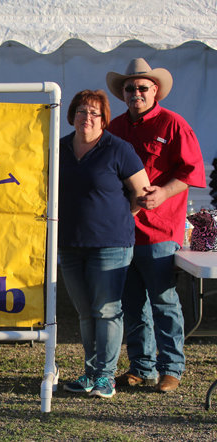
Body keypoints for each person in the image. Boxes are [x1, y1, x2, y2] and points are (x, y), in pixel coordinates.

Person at [106, 58, 206, 393]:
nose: (136, 92)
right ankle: (141, 366)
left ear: (155, 91)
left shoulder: (173, 124)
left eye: (142, 87)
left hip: (160, 229)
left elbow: (191, 172)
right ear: (123, 93)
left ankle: (172, 368)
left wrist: (163, 192)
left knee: (163, 302)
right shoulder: (114, 128)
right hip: (121, 230)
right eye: (130, 88)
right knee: (132, 303)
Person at [58, 90, 150, 398]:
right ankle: (90, 372)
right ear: (72, 115)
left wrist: (115, 217)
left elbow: (141, 193)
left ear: (104, 119)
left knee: (107, 309)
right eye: (82, 111)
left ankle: (105, 377)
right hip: (70, 243)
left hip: (110, 244)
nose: (87, 118)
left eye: (94, 113)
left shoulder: (119, 149)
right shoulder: (59, 149)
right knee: (85, 311)